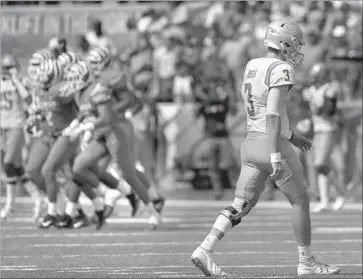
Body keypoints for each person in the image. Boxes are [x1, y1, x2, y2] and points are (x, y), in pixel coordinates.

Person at [191, 20, 341, 276]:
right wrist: (276, 151)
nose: (297, 48)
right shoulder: (281, 68)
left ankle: (205, 248)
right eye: (296, 43)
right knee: (300, 200)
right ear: (284, 42)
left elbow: (260, 109)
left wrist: (291, 134)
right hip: (270, 144)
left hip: (250, 144)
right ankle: (306, 261)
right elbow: (271, 114)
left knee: (240, 205)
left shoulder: (252, 65)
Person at [0, 54, 43, 220]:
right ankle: (38, 199)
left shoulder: (22, 82)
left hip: (17, 127)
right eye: (8, 67)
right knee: (16, 168)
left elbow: (29, 99)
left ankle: (10, 205)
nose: (12, 70)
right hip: (3, 128)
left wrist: (16, 81)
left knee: (9, 164)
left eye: (13, 66)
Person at [302, 63, 346, 212]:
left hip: (328, 129)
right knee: (321, 166)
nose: (315, 79)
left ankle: (340, 194)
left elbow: (329, 111)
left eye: (317, 76)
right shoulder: (313, 90)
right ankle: (326, 200)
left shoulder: (329, 90)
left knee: (320, 163)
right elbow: (313, 112)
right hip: (318, 130)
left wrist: (312, 99)